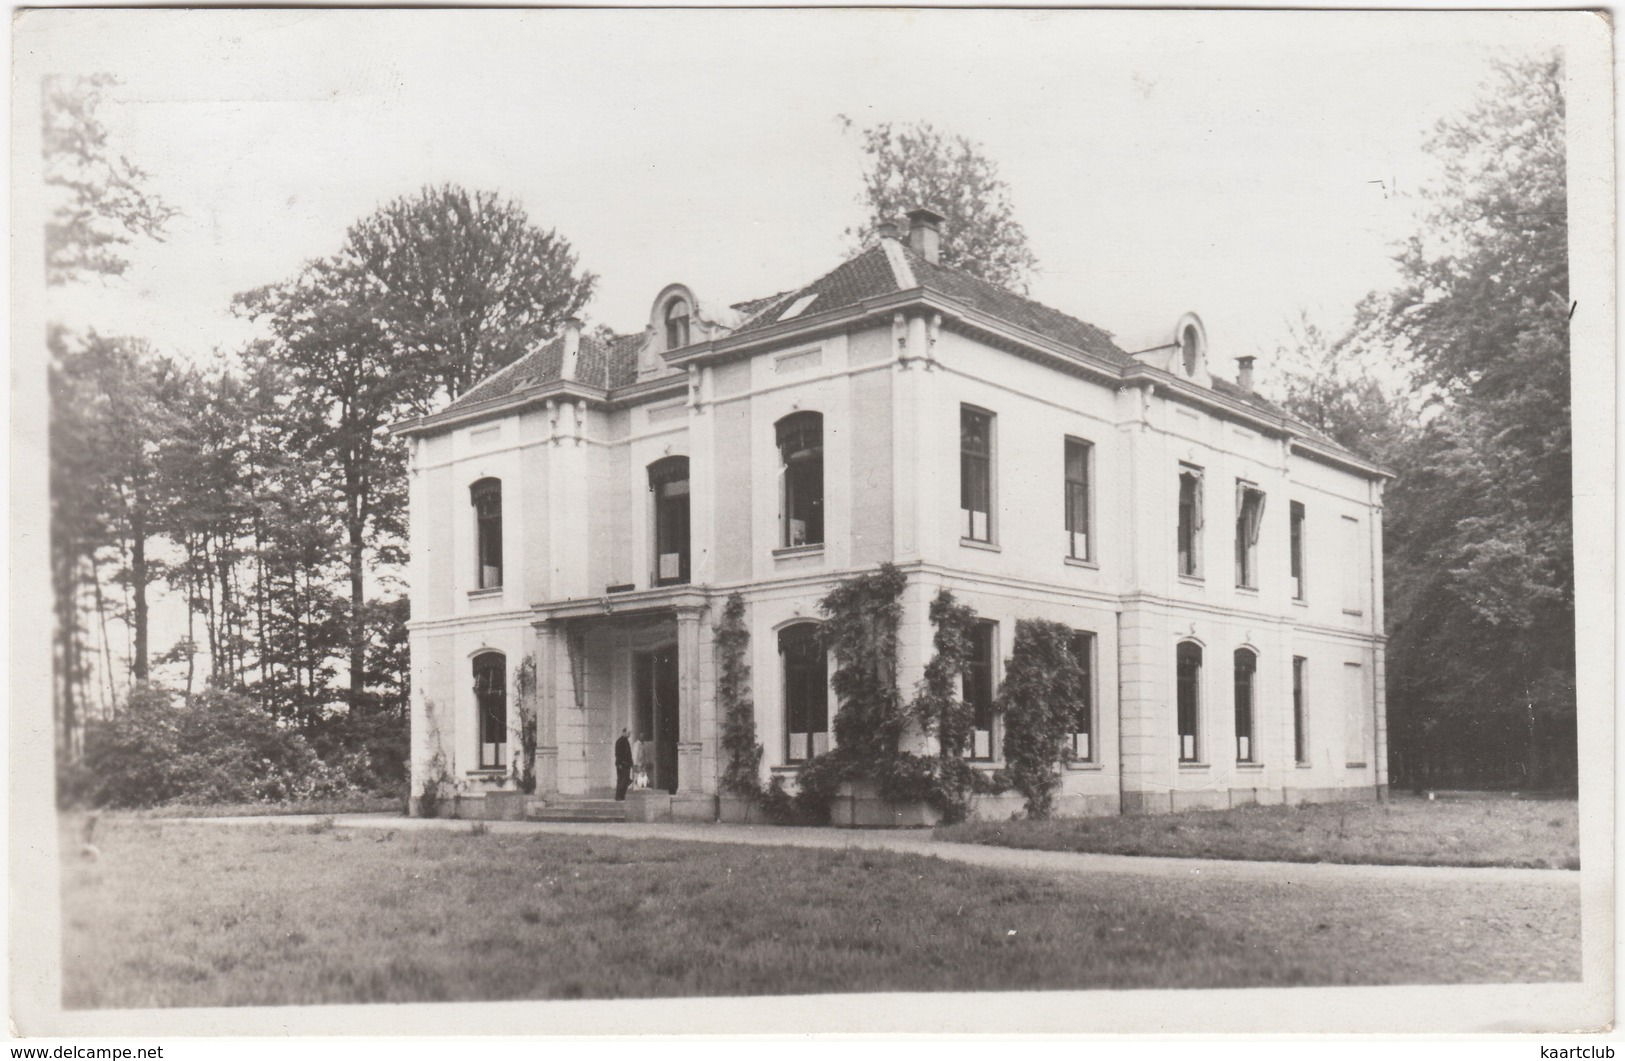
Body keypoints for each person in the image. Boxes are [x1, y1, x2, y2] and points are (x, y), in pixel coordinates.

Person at [614, 728, 634, 801]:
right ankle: (618, 796)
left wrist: (631, 763)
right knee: (621, 781)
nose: (629, 735)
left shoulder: (626, 741)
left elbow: (629, 754)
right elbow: (618, 754)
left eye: (630, 733)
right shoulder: (619, 741)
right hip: (622, 765)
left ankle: (622, 796)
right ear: (624, 732)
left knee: (625, 780)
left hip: (627, 765)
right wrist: (619, 764)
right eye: (628, 733)